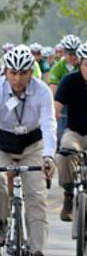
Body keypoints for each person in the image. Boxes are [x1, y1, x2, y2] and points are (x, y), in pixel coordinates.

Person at [0, 45, 56, 256]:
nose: (18, 78)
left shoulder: (42, 91)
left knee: (36, 196)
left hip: (32, 144)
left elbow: (49, 124)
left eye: (23, 73)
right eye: (13, 73)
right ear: (5, 72)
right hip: (1, 143)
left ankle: (37, 252)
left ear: (31, 72)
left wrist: (48, 156)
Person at [54, 43, 87, 221]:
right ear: (80, 64)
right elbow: (56, 109)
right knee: (65, 153)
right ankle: (68, 194)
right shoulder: (69, 80)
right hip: (75, 132)